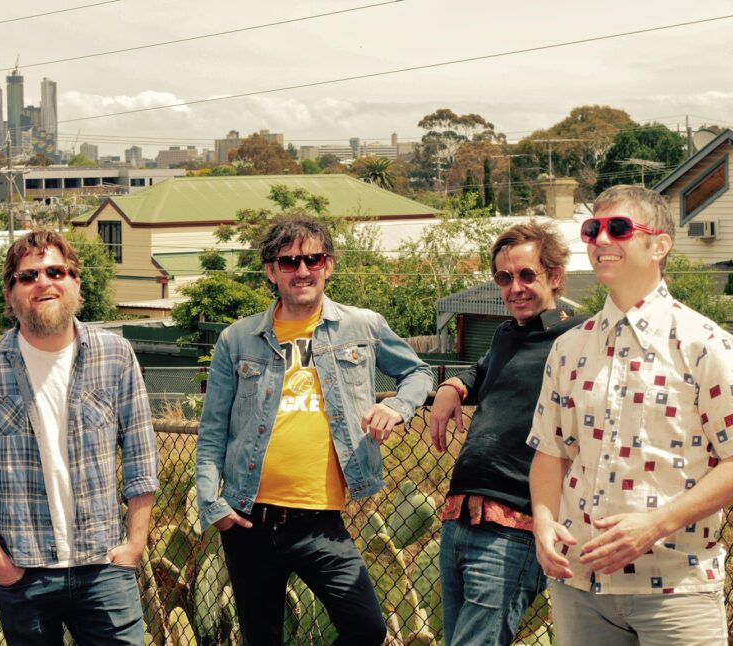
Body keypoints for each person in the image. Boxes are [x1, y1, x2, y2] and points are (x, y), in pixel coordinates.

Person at [195, 215, 435, 645]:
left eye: (313, 259)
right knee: (261, 639)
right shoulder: (237, 339)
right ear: (271, 271)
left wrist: (397, 408)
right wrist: (213, 504)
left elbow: (418, 373)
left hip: (320, 522)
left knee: (367, 629)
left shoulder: (363, 326)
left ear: (329, 265)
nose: (302, 270)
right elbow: (213, 429)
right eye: (289, 262)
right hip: (248, 519)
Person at [528, 185, 733, 645]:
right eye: (592, 229)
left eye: (618, 228)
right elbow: (550, 451)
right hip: (578, 588)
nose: (601, 239)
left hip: (677, 589)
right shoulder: (568, 348)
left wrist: (655, 525)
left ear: (659, 246)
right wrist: (543, 521)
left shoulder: (705, 345)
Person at [0, 229, 159, 646]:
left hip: (104, 567)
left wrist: (134, 545)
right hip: (25, 574)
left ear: (76, 283)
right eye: (28, 276)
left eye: (55, 272)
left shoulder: (115, 355)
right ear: (10, 294)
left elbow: (141, 456)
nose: (43, 282)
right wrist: (2, 567)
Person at [429, 221, 587, 645]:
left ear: (555, 275)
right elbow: (481, 369)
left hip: (515, 525)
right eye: (504, 278)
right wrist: (452, 385)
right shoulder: (505, 335)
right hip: (460, 517)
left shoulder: (580, 336)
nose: (515, 288)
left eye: (527, 275)